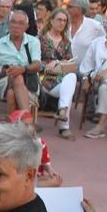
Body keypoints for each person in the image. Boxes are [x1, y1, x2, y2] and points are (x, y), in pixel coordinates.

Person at [0, 11, 42, 119]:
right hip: (4, 82)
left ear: (26, 27)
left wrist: (22, 69)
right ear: (8, 24)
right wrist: (3, 72)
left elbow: (37, 65)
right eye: (13, 22)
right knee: (16, 77)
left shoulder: (33, 42)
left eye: (21, 23)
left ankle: (14, 129)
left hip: (29, 82)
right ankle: (27, 121)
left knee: (12, 93)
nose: (16, 26)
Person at [38, 8, 79, 139]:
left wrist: (58, 63)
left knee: (71, 78)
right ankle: (64, 127)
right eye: (59, 20)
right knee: (69, 84)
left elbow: (71, 65)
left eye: (64, 21)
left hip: (62, 79)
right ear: (51, 21)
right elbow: (34, 62)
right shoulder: (40, 39)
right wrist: (48, 65)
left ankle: (62, 110)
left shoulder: (66, 42)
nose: (62, 23)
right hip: (44, 77)